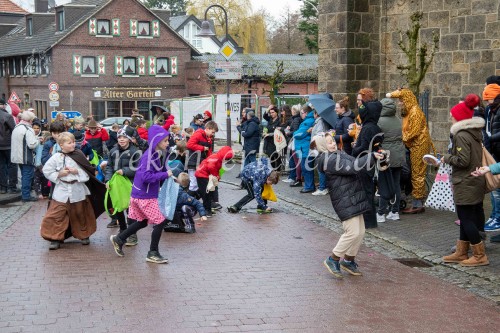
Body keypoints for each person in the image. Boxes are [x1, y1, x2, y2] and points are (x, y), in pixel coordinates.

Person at [313, 133, 384, 278]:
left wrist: (375, 158)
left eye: (333, 140)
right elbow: (352, 167)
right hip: (344, 199)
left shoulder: (338, 154)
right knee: (352, 232)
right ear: (322, 146)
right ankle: (333, 259)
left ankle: (349, 260)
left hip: (353, 196)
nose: (333, 143)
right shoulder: (328, 159)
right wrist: (370, 156)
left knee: (360, 231)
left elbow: (357, 163)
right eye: (329, 142)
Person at [109, 125, 172, 264]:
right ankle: (153, 252)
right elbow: (146, 176)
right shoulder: (149, 156)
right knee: (160, 221)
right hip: (145, 196)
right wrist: (165, 174)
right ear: (157, 141)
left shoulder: (155, 153)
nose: (168, 143)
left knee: (142, 221)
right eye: (165, 141)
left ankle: (119, 239)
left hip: (139, 193)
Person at [442, 95, 488, 267]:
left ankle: (479, 254)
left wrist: (446, 158)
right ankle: (461, 252)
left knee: (466, 219)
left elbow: (463, 160)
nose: (451, 117)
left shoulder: (461, 135)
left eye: (453, 115)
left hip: (465, 181)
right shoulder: (474, 133)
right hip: (474, 181)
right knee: (467, 217)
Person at [41, 132, 105, 250]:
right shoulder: (56, 157)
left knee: (81, 214)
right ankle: (55, 238)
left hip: (78, 190)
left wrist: (77, 172)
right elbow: (46, 170)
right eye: (69, 143)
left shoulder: (79, 154)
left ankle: (84, 235)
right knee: (56, 215)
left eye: (74, 142)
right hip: (61, 190)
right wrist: (59, 174)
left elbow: (88, 174)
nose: (73, 144)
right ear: (61, 145)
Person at [386, 88, 435, 214]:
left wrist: (399, 138)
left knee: (417, 173)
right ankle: (416, 201)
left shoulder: (415, 112)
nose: (399, 103)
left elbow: (413, 132)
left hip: (419, 145)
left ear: (406, 100)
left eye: (401, 100)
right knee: (414, 172)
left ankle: (418, 204)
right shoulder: (409, 111)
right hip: (413, 145)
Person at [351, 98, 384, 229]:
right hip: (369, 162)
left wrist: (355, 148)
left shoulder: (368, 128)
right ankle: (368, 220)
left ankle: (368, 221)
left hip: (364, 163)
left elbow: (363, 148)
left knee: (366, 192)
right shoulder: (374, 126)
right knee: (367, 191)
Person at [105, 128, 140, 245]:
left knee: (131, 210)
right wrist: (108, 180)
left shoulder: (136, 151)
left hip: (130, 184)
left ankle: (132, 235)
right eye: (119, 137)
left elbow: (138, 169)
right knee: (118, 207)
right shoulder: (113, 151)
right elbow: (109, 166)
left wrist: (124, 171)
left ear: (129, 139)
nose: (122, 140)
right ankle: (123, 230)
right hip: (116, 184)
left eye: (124, 137)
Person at [376, 98, 406, 222]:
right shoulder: (398, 120)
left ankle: (381, 213)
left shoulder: (379, 121)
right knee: (396, 184)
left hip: (386, 155)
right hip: (399, 154)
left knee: (384, 185)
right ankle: (395, 211)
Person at [195, 146, 234, 218]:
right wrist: (216, 175)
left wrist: (217, 176)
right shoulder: (216, 158)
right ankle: (206, 210)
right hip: (202, 175)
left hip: (203, 175)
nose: (227, 160)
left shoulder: (217, 158)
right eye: (227, 159)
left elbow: (216, 169)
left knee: (204, 192)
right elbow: (211, 167)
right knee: (207, 193)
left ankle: (199, 205)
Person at [11, 110, 39, 202]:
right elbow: (32, 144)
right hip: (26, 157)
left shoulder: (17, 127)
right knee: (27, 176)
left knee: (24, 175)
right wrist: (38, 140)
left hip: (17, 156)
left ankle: (25, 194)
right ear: (30, 120)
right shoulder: (28, 129)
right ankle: (26, 196)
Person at [186, 121, 218, 196]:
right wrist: (202, 148)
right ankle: (187, 200)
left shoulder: (209, 139)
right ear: (207, 129)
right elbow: (189, 145)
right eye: (212, 132)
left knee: (198, 184)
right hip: (193, 161)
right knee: (194, 184)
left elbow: (209, 152)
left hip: (200, 162)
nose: (213, 134)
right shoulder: (198, 134)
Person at [293, 105, 315, 193]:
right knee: (305, 167)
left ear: (305, 113)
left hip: (305, 148)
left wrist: (294, 133)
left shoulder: (308, 121)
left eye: (301, 113)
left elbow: (298, 134)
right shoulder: (307, 121)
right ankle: (309, 185)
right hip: (303, 147)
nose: (300, 115)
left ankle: (309, 186)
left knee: (306, 167)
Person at [310, 109, 330, 196]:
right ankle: (323, 186)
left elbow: (319, 134)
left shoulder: (320, 122)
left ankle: (323, 188)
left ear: (316, 114)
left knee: (320, 168)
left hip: (320, 147)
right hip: (319, 147)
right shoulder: (319, 122)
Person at [0, 98, 17, 194]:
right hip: (8, 144)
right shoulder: (7, 116)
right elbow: (13, 129)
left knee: (1, 166)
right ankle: (12, 187)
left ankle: (3, 187)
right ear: (2, 105)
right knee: (12, 165)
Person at [283, 104, 303, 184]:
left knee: (293, 160)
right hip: (293, 141)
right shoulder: (297, 119)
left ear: (294, 111)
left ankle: (292, 177)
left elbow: (295, 131)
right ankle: (293, 176)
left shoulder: (296, 120)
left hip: (293, 141)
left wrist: (288, 132)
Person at [263, 105, 282, 170]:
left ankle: (278, 170)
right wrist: (268, 108)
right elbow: (264, 116)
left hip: (276, 141)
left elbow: (279, 131)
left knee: (276, 156)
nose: (271, 114)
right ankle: (274, 170)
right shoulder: (270, 119)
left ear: (276, 112)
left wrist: (270, 134)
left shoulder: (279, 120)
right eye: (270, 113)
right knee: (271, 156)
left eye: (273, 112)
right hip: (269, 141)